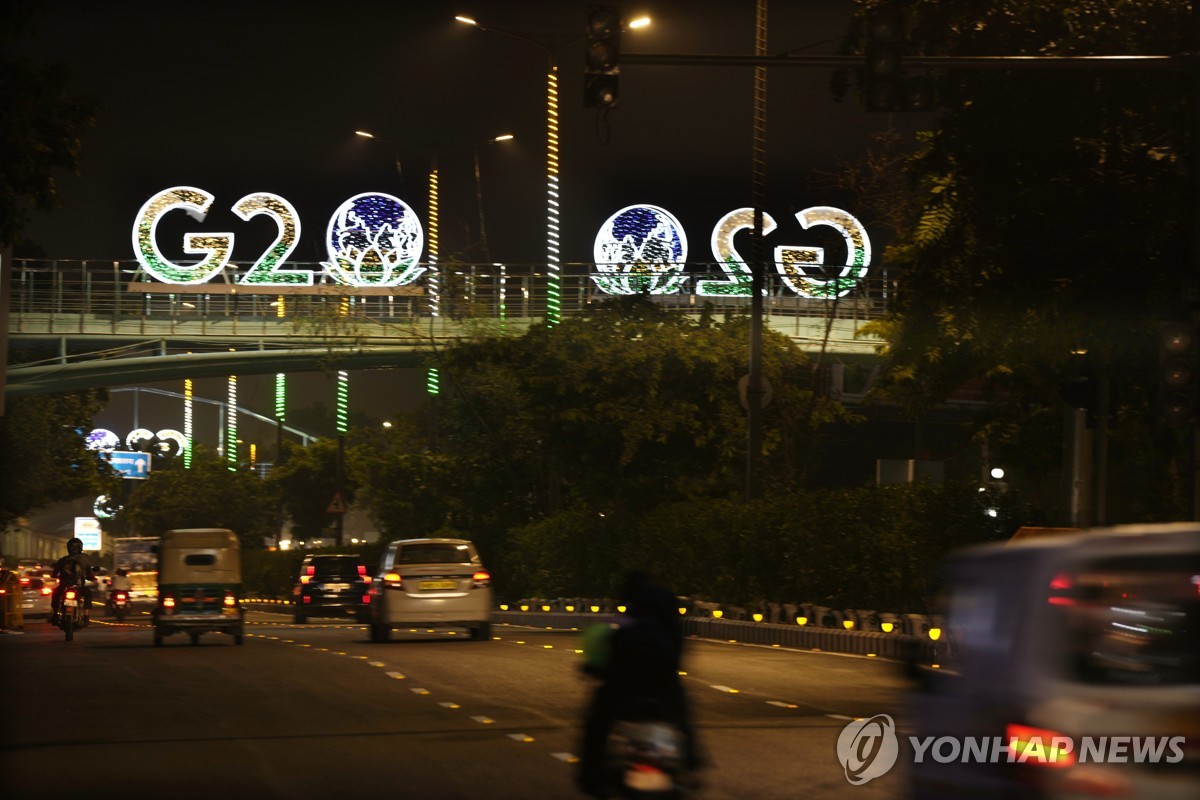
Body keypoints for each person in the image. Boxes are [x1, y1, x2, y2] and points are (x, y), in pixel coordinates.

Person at [578, 571, 701, 796]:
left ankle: (588, 772)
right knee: (682, 714)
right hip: (663, 681)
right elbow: (678, 645)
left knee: (597, 721)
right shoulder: (665, 603)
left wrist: (595, 669)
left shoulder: (632, 611)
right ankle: (692, 759)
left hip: (626, 684)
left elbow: (616, 650)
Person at [50, 537, 97, 625]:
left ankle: (55, 614)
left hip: (64, 586)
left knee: (55, 594)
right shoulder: (85, 560)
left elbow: (54, 573)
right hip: (79, 587)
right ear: (81, 548)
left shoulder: (62, 560)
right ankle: (86, 615)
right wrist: (91, 578)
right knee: (88, 594)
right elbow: (90, 575)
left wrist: (54, 575)